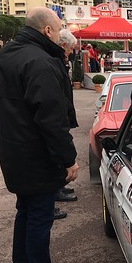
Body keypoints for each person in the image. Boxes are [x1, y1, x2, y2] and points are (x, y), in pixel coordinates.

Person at [0, 7, 79, 263]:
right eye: (58, 29)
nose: (59, 35)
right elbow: (51, 119)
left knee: (26, 213)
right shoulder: (41, 62)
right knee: (40, 217)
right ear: (47, 31)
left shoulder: (8, 55)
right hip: (37, 154)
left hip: (14, 151)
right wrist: (68, 158)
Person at [55, 29, 79, 208]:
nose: (71, 53)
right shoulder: (54, 61)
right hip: (57, 117)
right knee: (56, 156)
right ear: (63, 45)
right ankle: (56, 190)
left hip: (62, 113)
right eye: (70, 49)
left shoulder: (60, 61)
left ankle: (59, 187)